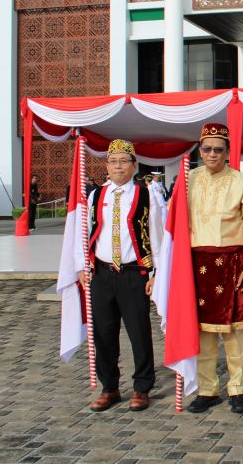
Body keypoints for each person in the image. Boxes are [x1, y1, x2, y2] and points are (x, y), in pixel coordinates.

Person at [79, 139, 163, 413]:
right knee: (103, 333)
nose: (118, 166)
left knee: (139, 333)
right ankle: (109, 387)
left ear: (134, 165)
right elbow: (88, 232)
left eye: (123, 161)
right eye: (113, 161)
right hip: (102, 273)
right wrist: (83, 265)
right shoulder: (96, 195)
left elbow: (157, 235)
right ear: (106, 166)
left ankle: (142, 387)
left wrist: (155, 272)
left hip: (133, 273)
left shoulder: (147, 195)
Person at [185, 123, 243, 415]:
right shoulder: (188, 180)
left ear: (227, 152)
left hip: (232, 262)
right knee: (202, 332)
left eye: (218, 149)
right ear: (199, 150)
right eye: (207, 149)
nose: (212, 154)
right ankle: (207, 389)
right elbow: (177, 226)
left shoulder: (240, 181)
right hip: (197, 264)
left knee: (235, 331)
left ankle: (237, 388)